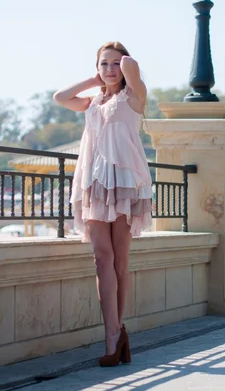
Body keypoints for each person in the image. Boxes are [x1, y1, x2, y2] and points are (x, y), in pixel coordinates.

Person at [53, 41, 153, 367]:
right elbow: (60, 97)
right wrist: (94, 79)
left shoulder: (134, 97)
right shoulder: (93, 101)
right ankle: (113, 334)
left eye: (114, 64)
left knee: (119, 260)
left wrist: (120, 64)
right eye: (103, 64)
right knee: (102, 258)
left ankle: (117, 334)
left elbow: (132, 67)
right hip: (95, 184)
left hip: (125, 183)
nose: (110, 70)